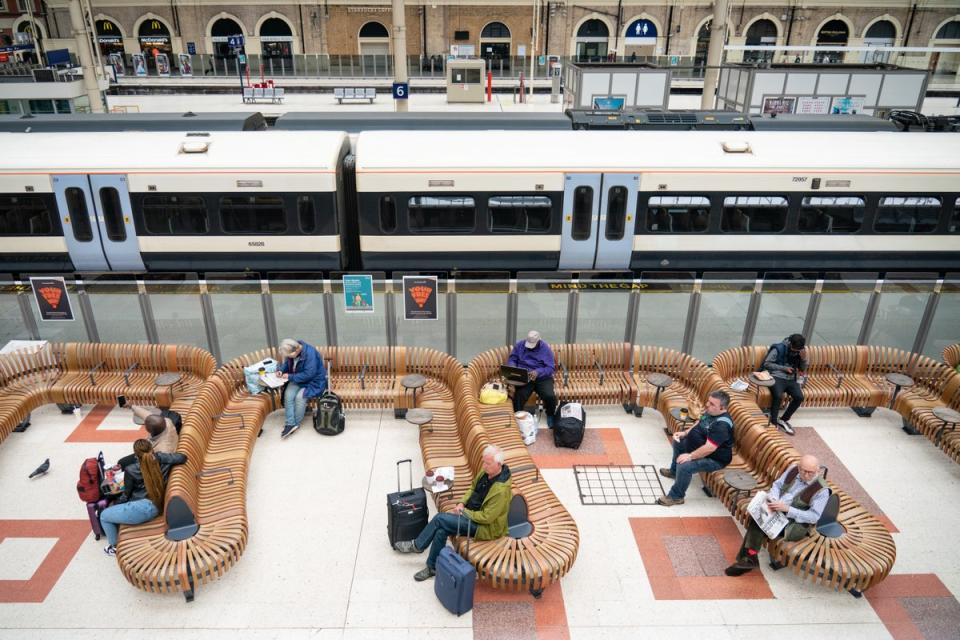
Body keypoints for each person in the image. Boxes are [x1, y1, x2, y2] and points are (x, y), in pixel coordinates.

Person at [393, 445, 512, 581]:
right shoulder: (487, 472)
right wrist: (462, 503)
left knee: (440, 519)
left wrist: (464, 512)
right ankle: (432, 568)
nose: (484, 466)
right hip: (471, 513)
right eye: (483, 462)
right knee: (441, 530)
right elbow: (473, 488)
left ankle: (418, 545)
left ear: (499, 464)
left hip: (484, 526)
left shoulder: (501, 490)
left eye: (488, 463)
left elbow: (487, 517)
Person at [725, 454, 828, 576]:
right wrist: (773, 499)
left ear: (818, 470)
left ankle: (749, 557)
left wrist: (788, 509)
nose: (805, 475)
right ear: (799, 467)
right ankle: (750, 558)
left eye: (810, 473)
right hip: (777, 508)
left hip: (795, 523)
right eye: (803, 471)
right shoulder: (794, 469)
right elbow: (778, 485)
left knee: (760, 521)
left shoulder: (822, 491)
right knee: (757, 513)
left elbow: (814, 517)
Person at [100, 439, 186, 557]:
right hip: (158, 504)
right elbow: (182, 458)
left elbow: (126, 496)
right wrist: (159, 457)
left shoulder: (131, 469)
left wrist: (115, 502)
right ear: (152, 449)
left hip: (143, 510)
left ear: (136, 455)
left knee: (104, 515)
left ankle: (114, 547)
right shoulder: (162, 460)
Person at [657, 390, 734, 506]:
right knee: (678, 442)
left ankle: (676, 496)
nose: (707, 405)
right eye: (708, 401)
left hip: (714, 459)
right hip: (700, 447)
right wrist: (685, 433)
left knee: (685, 466)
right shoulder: (711, 412)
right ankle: (674, 472)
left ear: (722, 408)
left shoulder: (722, 425)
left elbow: (709, 448)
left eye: (712, 404)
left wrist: (689, 456)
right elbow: (699, 423)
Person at [276, 338, 328, 439]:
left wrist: (289, 376)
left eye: (289, 355)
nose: (288, 357)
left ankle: (296, 423)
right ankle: (290, 423)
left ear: (296, 351)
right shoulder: (293, 350)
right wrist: (281, 371)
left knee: (300, 397)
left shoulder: (310, 354)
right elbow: (287, 363)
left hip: (313, 381)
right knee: (288, 395)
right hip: (297, 378)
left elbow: (309, 374)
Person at [507, 330, 558, 427]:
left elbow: (550, 368)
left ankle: (550, 414)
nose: (530, 346)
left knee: (549, 396)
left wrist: (538, 372)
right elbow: (512, 359)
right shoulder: (520, 345)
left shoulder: (545, 348)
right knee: (519, 395)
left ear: (539, 340)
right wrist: (514, 368)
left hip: (542, 377)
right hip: (525, 375)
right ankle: (517, 416)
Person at [762, 333, 808, 435]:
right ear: (790, 343)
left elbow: (802, 370)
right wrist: (784, 368)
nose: (796, 351)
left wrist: (804, 359)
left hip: (791, 378)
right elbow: (767, 364)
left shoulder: (801, 351)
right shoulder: (778, 348)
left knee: (799, 397)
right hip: (776, 376)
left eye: (798, 350)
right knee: (778, 396)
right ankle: (773, 421)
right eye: (794, 349)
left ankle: (783, 419)